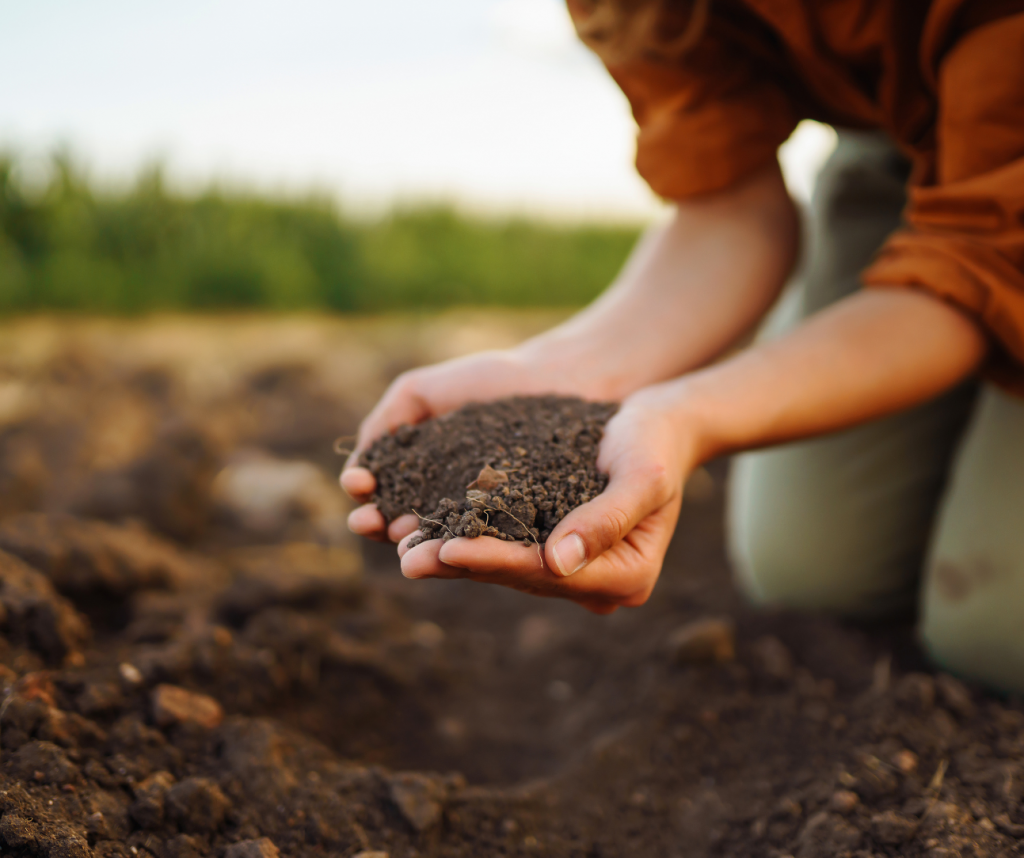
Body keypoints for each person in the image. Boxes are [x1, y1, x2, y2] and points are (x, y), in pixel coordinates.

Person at [342, 0, 1024, 693]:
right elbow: (727, 209)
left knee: (997, 638)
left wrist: (691, 417)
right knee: (813, 570)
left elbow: (980, 262)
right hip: (902, 126)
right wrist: (561, 372)